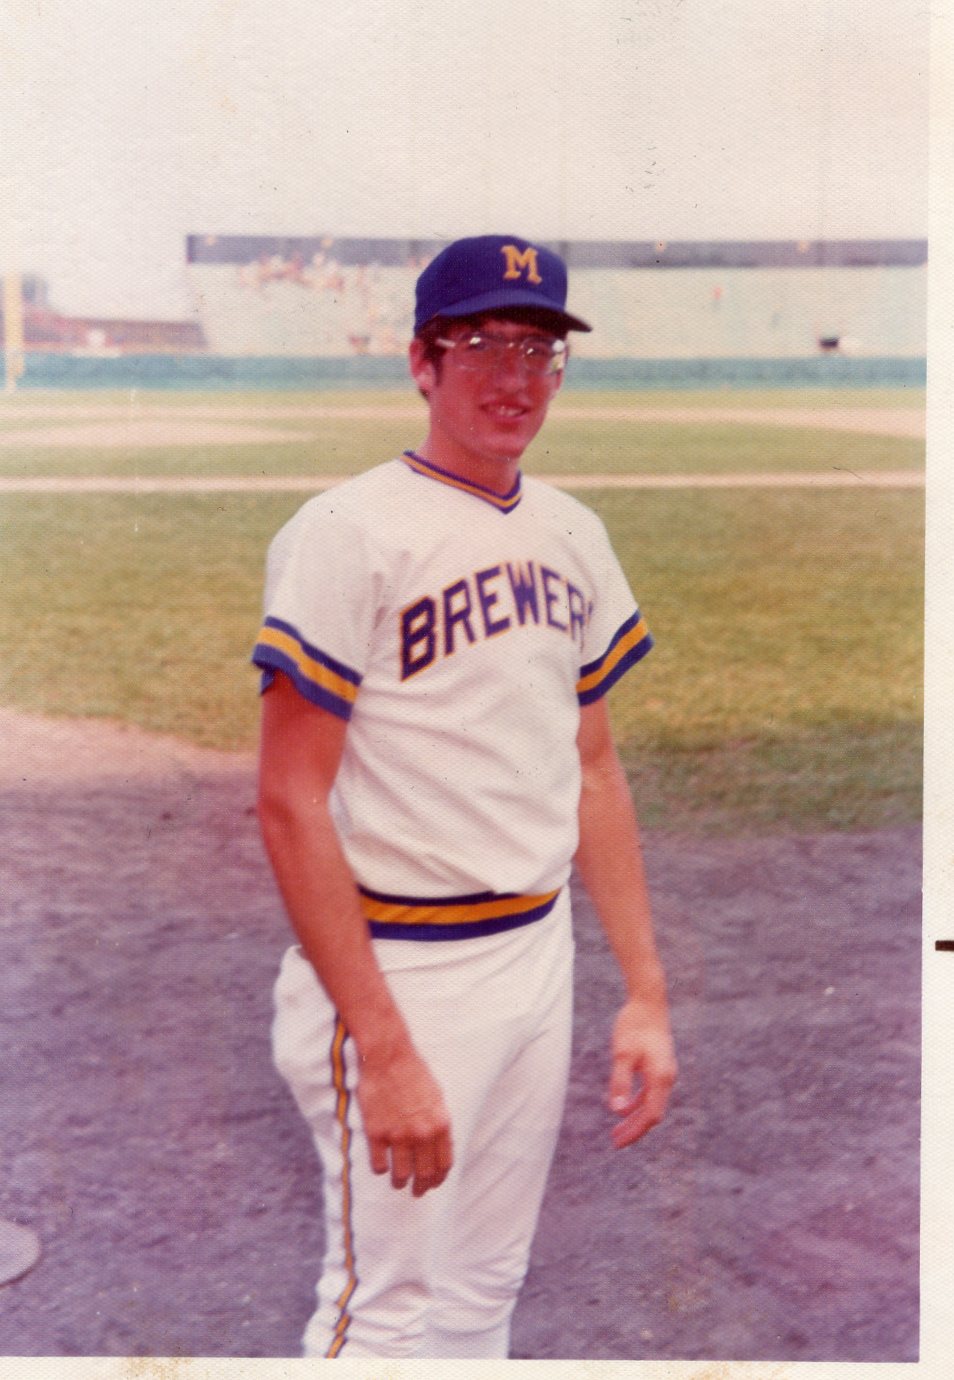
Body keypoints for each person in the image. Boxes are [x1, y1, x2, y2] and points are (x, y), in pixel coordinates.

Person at [252, 234, 677, 1360]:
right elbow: (290, 802)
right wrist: (384, 1048)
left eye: (539, 350)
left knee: (484, 1295)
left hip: (534, 957)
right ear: (421, 364)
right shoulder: (348, 533)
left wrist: (643, 992)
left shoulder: (574, 535)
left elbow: (593, 769)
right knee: (381, 1316)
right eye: (481, 343)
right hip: (401, 969)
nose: (513, 377)